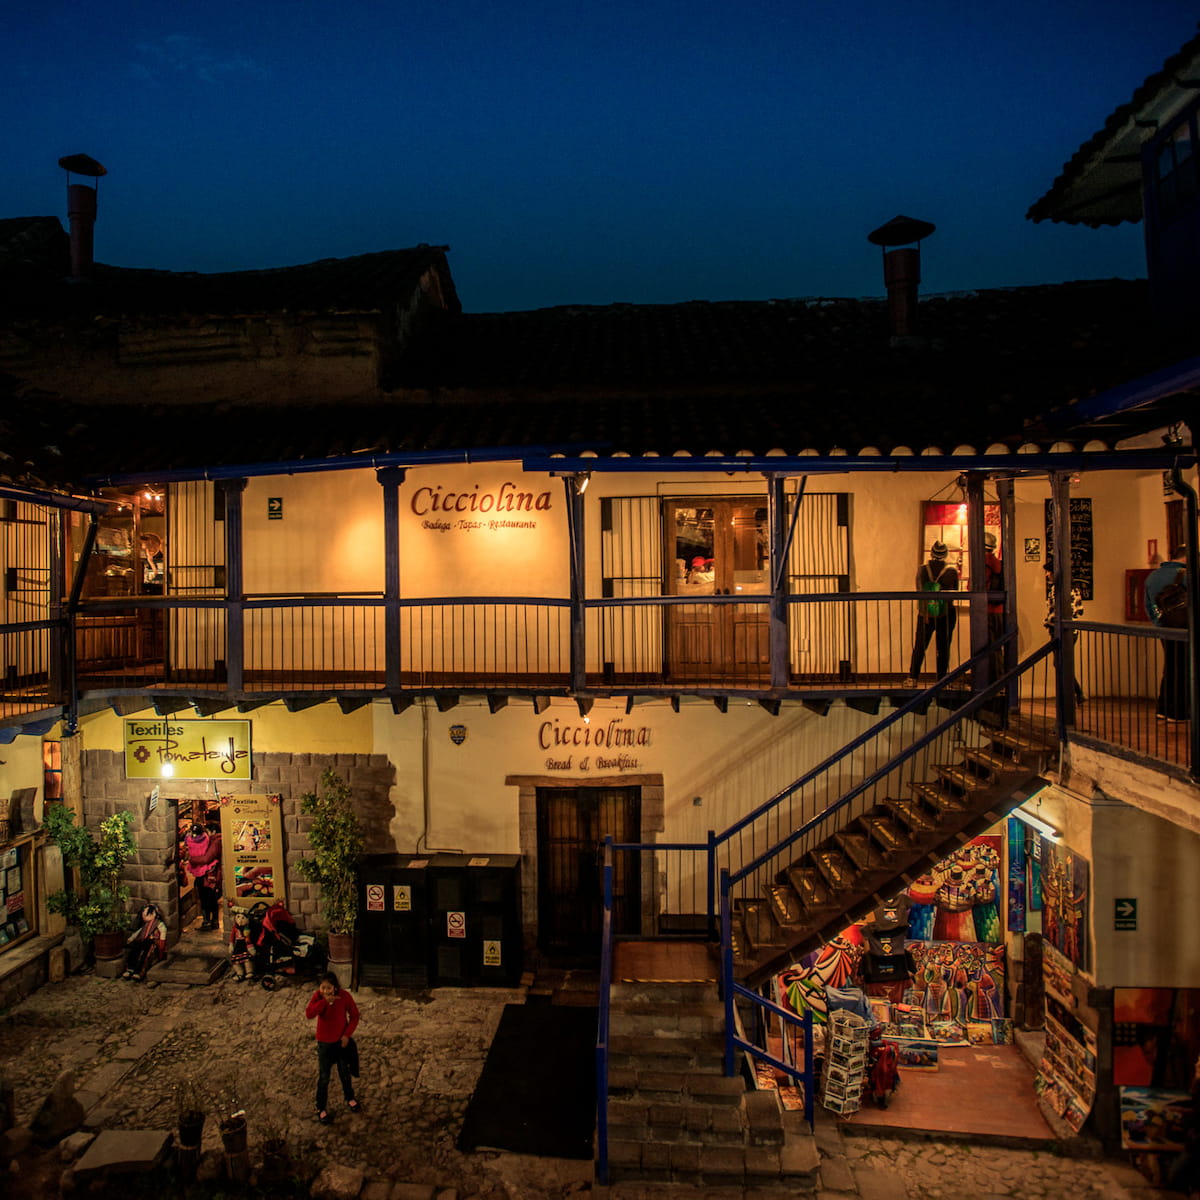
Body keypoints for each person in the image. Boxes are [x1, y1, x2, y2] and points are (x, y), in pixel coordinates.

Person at [305, 970, 361, 1124]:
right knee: (324, 1077)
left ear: (335, 987)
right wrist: (324, 1001)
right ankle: (321, 1108)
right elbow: (309, 1014)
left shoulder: (344, 997)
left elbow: (355, 1016)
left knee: (344, 1072)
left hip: (340, 1042)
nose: (325, 991)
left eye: (328, 988)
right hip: (324, 1044)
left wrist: (346, 1035)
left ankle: (349, 1098)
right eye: (323, 988)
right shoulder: (318, 997)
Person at [1146, 546, 1189, 722]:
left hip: (1165, 628)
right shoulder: (1186, 575)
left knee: (1170, 667)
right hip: (1185, 628)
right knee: (1184, 669)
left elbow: (1149, 606)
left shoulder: (1152, 577)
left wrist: (1160, 624)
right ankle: (1179, 712)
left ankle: (1163, 709)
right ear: (1186, 558)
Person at [907, 541, 959, 685]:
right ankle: (941, 680)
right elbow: (954, 593)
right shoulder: (951, 572)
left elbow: (918, 590)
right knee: (943, 649)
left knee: (920, 647)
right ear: (946, 554)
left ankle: (913, 677)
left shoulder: (922, 570)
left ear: (931, 553)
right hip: (946, 615)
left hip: (926, 616)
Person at [1043, 557, 1085, 704]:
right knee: (1062, 663)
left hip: (1060, 631)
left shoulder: (1057, 590)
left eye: (1049, 571)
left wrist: (1048, 621)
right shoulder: (1074, 589)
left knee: (1060, 663)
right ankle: (1074, 693)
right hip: (1071, 631)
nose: (1047, 574)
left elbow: (1056, 611)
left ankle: (1073, 693)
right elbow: (1080, 611)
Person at [184, 819, 223, 931]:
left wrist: (192, 860)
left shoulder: (215, 841)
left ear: (214, 831)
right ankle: (212, 921)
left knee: (206, 898)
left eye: (209, 831)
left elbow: (206, 859)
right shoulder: (209, 840)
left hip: (207, 874)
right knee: (210, 898)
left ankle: (208, 922)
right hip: (209, 873)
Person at [122, 903, 167, 981]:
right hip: (142, 940)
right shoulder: (145, 925)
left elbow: (163, 932)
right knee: (135, 950)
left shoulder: (159, 924)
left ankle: (139, 971)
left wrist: (162, 942)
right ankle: (130, 968)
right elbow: (139, 932)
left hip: (152, 942)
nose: (144, 916)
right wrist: (132, 938)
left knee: (145, 954)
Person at [228, 910, 255, 982]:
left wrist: (250, 946)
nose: (240, 920)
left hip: (245, 943)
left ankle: (249, 971)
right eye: (238, 917)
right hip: (238, 944)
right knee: (235, 959)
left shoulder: (247, 928)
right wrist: (231, 944)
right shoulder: (235, 928)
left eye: (243, 918)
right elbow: (232, 936)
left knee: (247, 958)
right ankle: (240, 973)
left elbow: (248, 938)